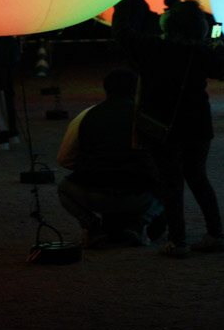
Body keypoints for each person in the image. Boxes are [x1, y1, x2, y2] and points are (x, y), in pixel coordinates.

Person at [118, 4, 224, 258]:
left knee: (171, 182)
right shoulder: (202, 52)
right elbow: (222, 68)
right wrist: (216, 40)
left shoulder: (152, 47)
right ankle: (216, 234)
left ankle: (178, 241)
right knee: (198, 178)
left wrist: (127, 1)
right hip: (198, 124)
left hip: (161, 125)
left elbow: (122, 33)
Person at [57, 68, 162, 247]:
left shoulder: (86, 116)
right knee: (172, 180)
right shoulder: (147, 118)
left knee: (64, 188)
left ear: (106, 89)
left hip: (95, 193)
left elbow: (65, 159)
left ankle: (93, 227)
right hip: (138, 194)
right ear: (137, 91)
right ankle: (139, 223)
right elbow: (164, 156)